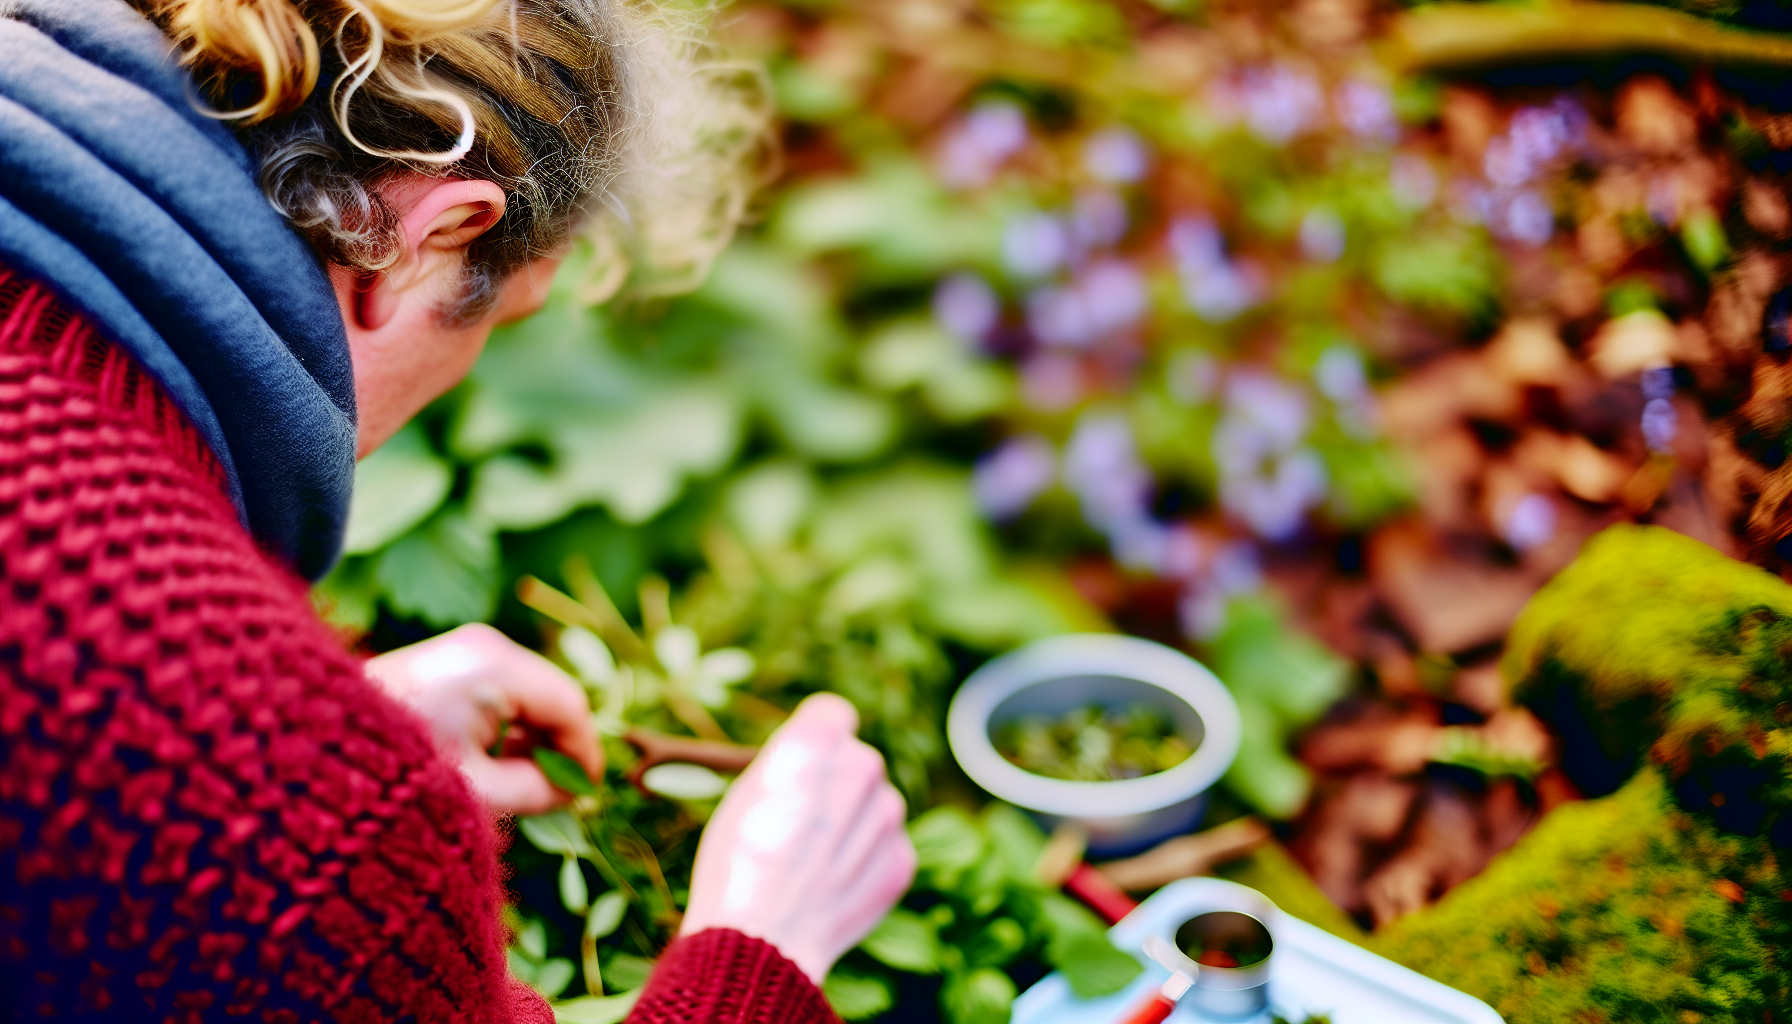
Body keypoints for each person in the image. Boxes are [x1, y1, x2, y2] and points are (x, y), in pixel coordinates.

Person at [0, 1, 913, 1021]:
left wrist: (303, 733)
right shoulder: (280, 796)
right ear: (428, 237)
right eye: (506, 316)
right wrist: (766, 940)